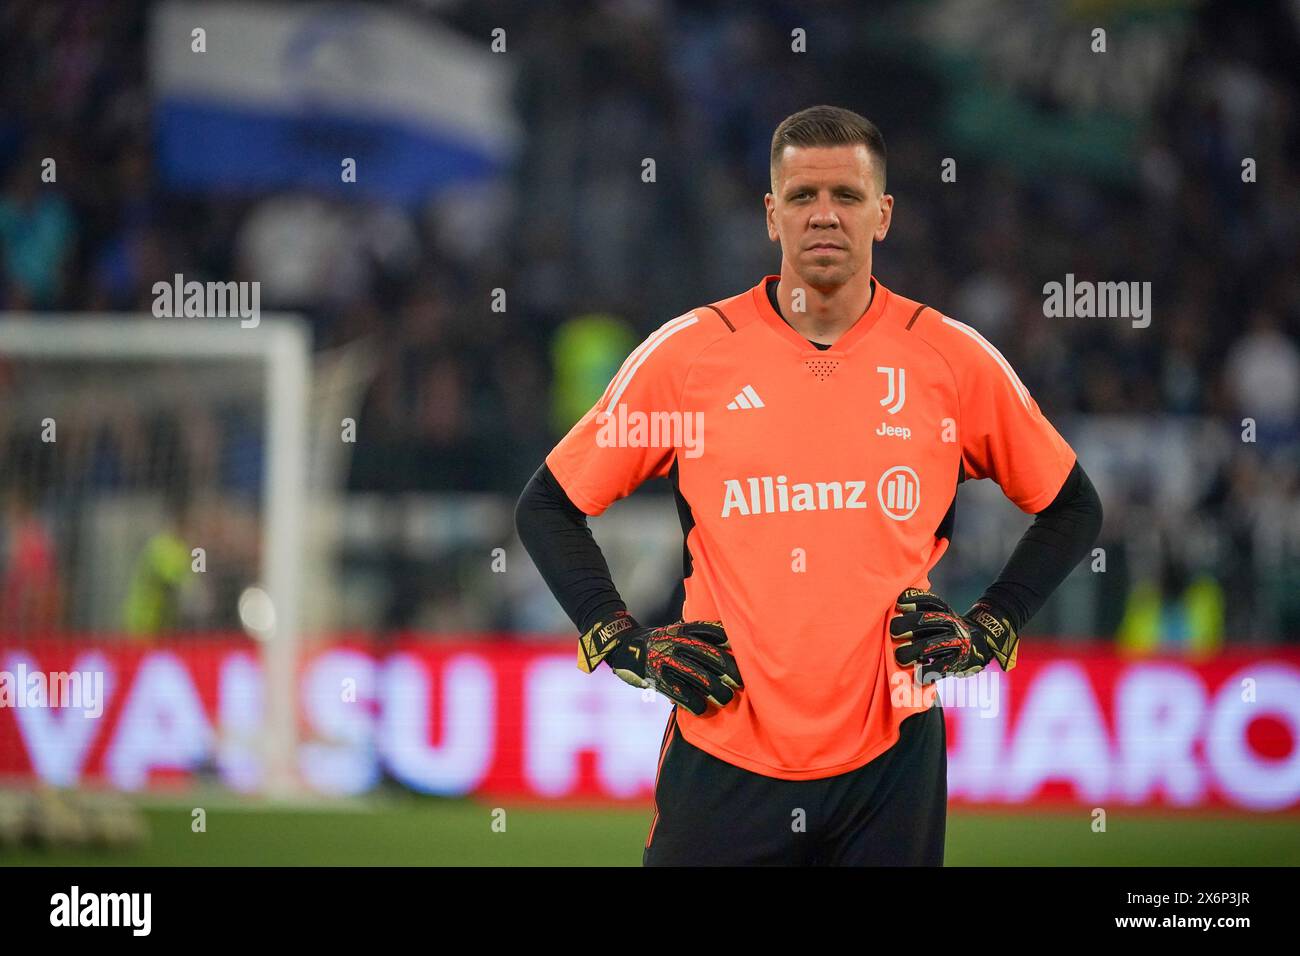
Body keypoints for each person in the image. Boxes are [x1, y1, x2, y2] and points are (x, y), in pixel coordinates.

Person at [515, 105, 1103, 866]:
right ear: (772, 215)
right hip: (724, 747)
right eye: (802, 196)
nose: (824, 214)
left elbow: (1072, 506)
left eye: (847, 196)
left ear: (882, 214)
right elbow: (549, 506)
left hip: (893, 761)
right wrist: (624, 643)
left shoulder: (950, 361)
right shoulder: (690, 358)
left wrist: (991, 626)